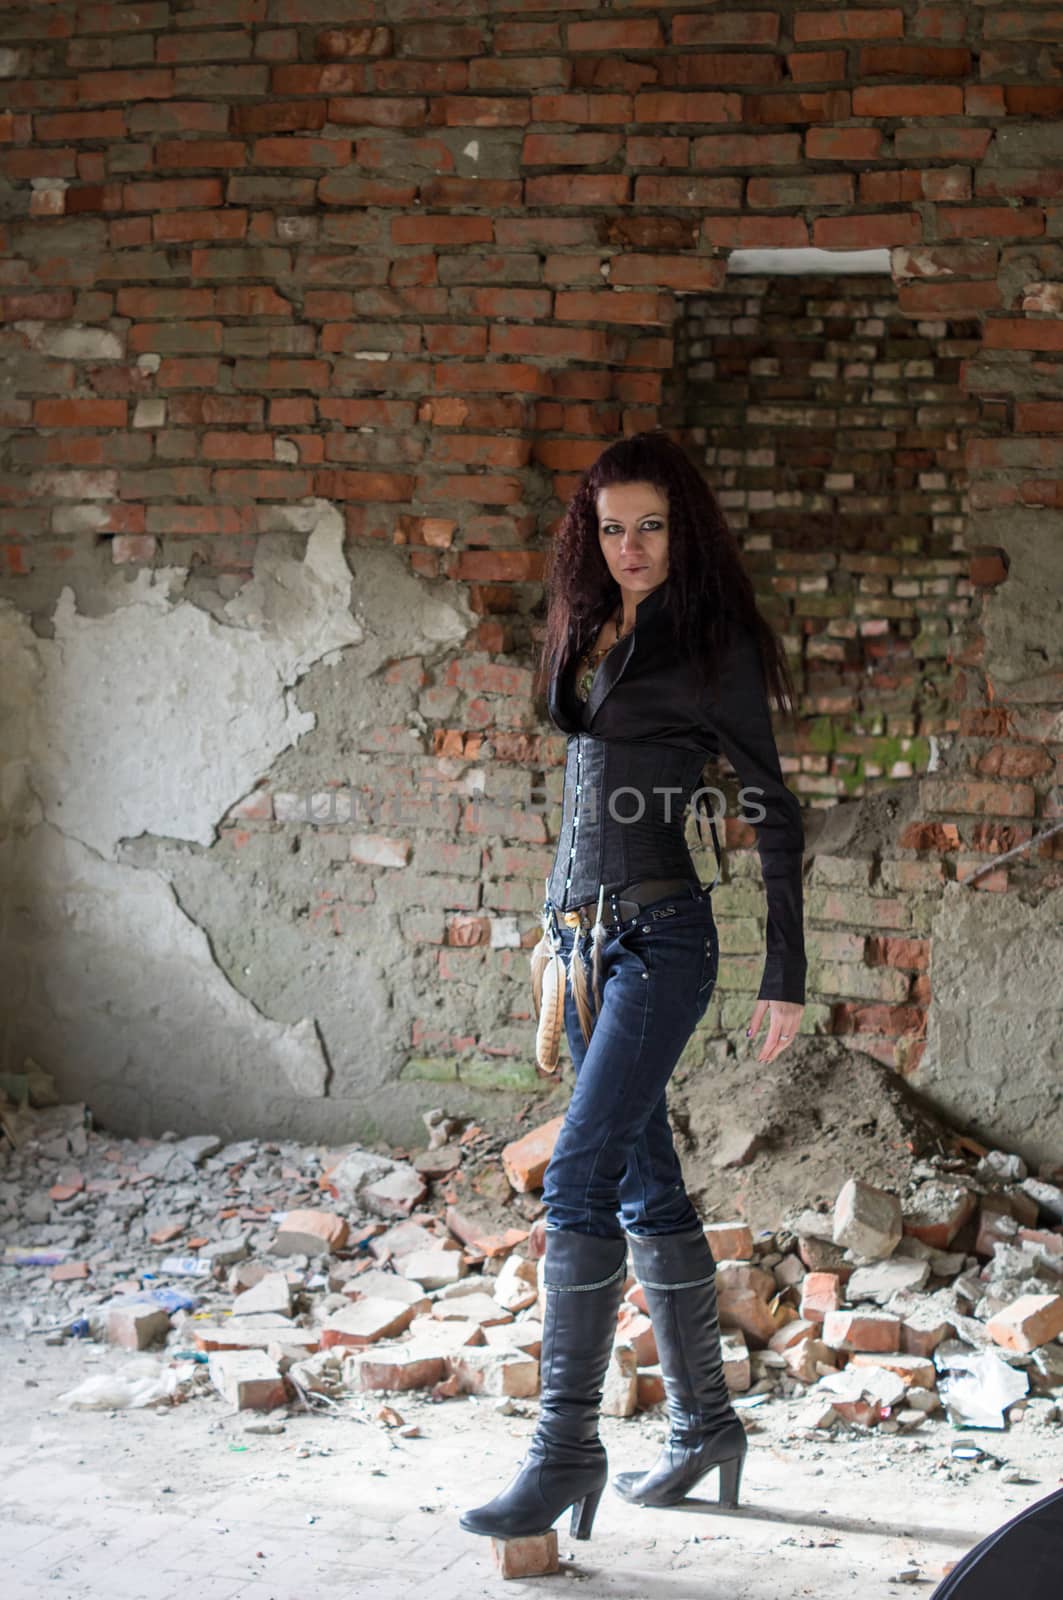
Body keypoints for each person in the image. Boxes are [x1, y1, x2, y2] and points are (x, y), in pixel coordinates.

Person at [459, 430, 807, 1544]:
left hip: (663, 943)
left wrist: (784, 971)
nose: (631, 547)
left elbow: (773, 805)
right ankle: (706, 1421)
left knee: (574, 1174)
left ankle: (565, 1449)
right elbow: (585, 772)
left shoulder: (711, 645)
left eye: (649, 525)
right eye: (611, 528)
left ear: (683, 525)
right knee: (646, 1192)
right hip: (589, 945)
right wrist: (555, 929)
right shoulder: (592, 624)